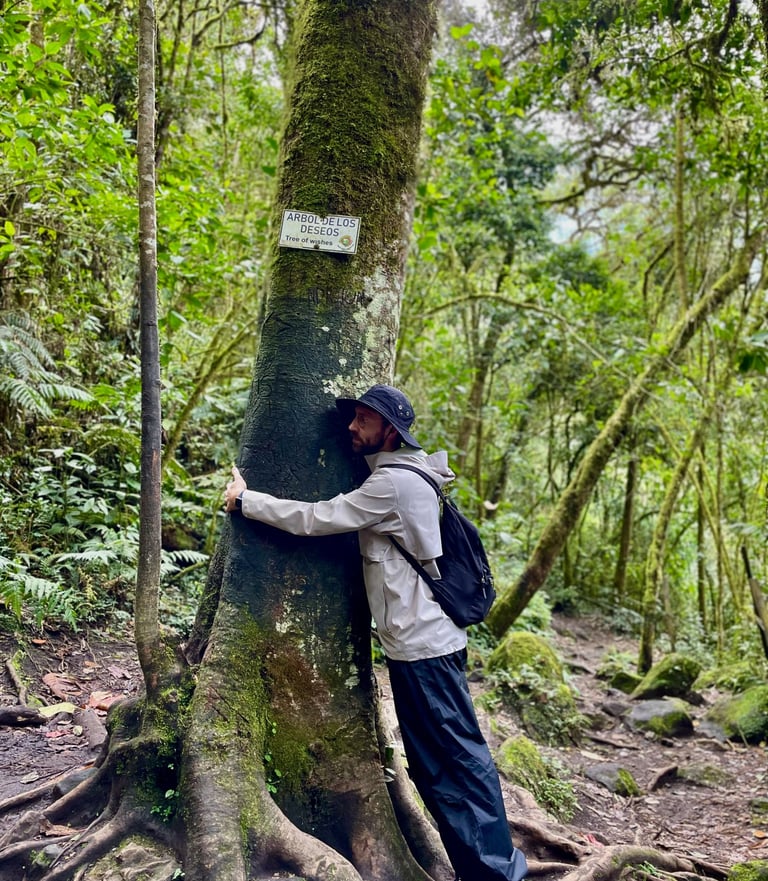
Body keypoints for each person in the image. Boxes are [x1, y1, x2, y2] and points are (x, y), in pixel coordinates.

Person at [223, 384, 528, 881]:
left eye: (363, 420)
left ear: (390, 431)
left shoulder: (392, 486)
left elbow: (318, 518)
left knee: (457, 766)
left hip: (425, 650)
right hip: (422, 646)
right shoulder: (402, 475)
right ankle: (488, 870)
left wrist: (247, 501)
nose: (351, 427)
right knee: (439, 769)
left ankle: (499, 873)